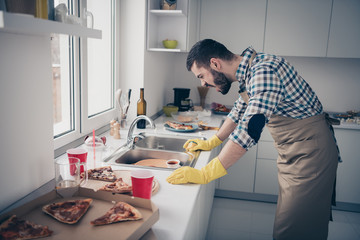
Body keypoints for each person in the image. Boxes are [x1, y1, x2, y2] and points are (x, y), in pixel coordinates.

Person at [166, 39, 339, 240]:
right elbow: (239, 112)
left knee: (293, 231)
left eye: (201, 76)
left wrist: (206, 173)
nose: (203, 84)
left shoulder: (263, 72)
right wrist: (213, 141)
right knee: (295, 225)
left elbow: (249, 129)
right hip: (295, 153)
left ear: (215, 63)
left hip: (311, 155)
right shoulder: (251, 71)